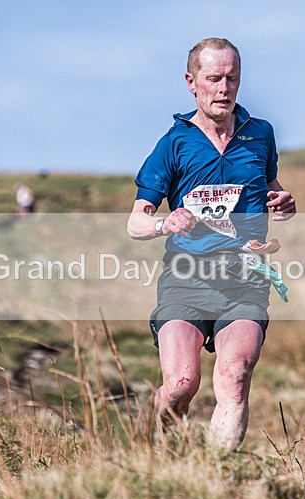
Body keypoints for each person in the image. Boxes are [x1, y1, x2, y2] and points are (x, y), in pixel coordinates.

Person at [127, 38, 296, 451]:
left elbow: (270, 187)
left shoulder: (260, 134)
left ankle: (218, 480)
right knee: (181, 384)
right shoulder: (174, 144)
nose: (224, 88)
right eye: (214, 78)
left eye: (232, 78)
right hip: (186, 279)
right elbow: (136, 223)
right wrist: (166, 222)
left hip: (244, 280)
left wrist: (283, 200)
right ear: (191, 82)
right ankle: (156, 455)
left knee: (234, 376)